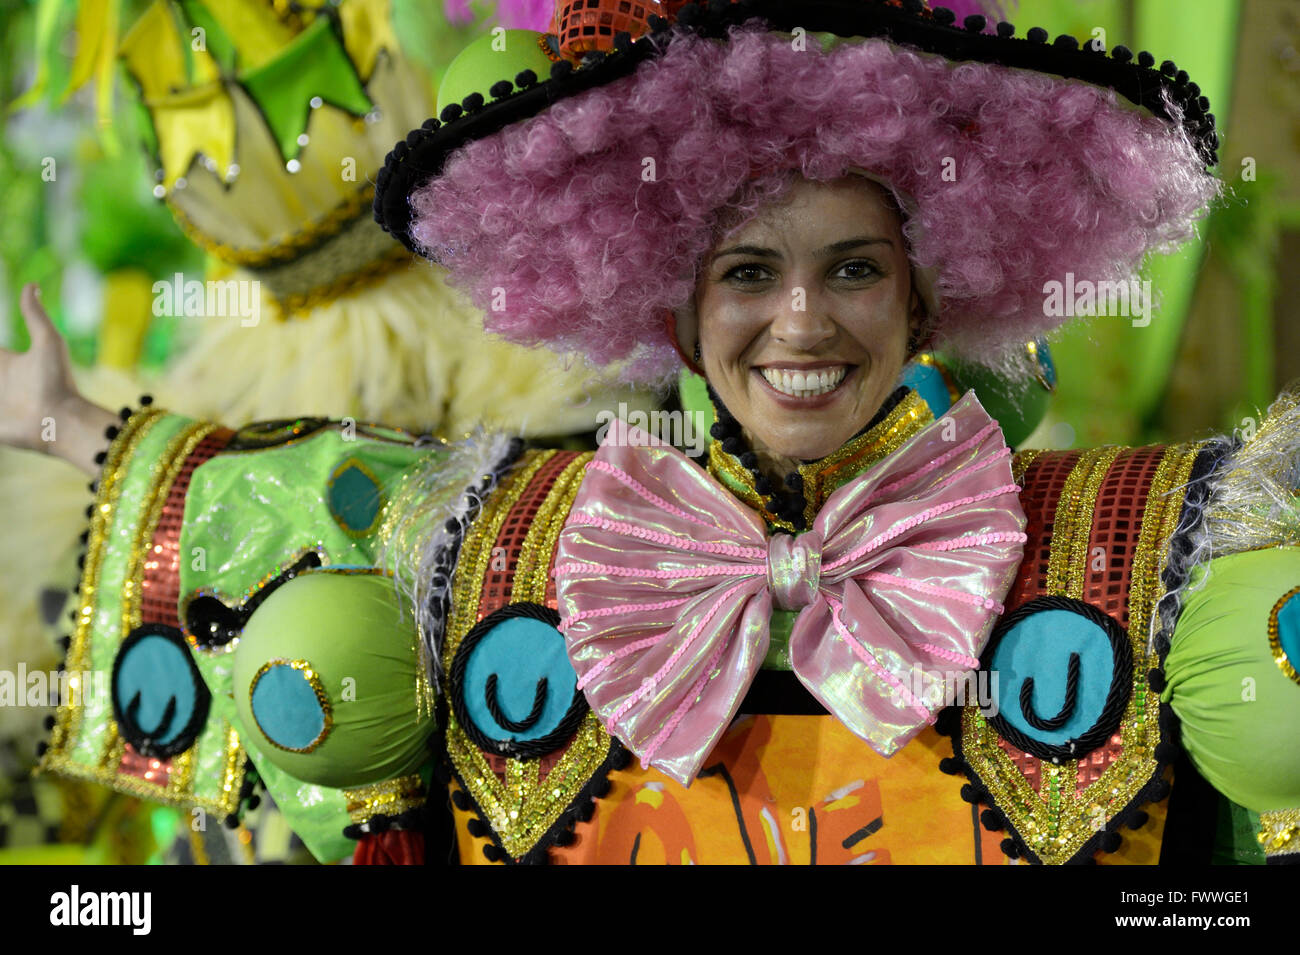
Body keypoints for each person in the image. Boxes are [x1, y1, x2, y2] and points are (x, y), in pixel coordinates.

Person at [8, 0, 1300, 864]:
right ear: (673, 319)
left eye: (853, 272)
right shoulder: (507, 541)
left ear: (926, 305)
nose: (801, 322)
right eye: (746, 274)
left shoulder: (1148, 543)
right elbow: (313, 493)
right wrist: (69, 421)